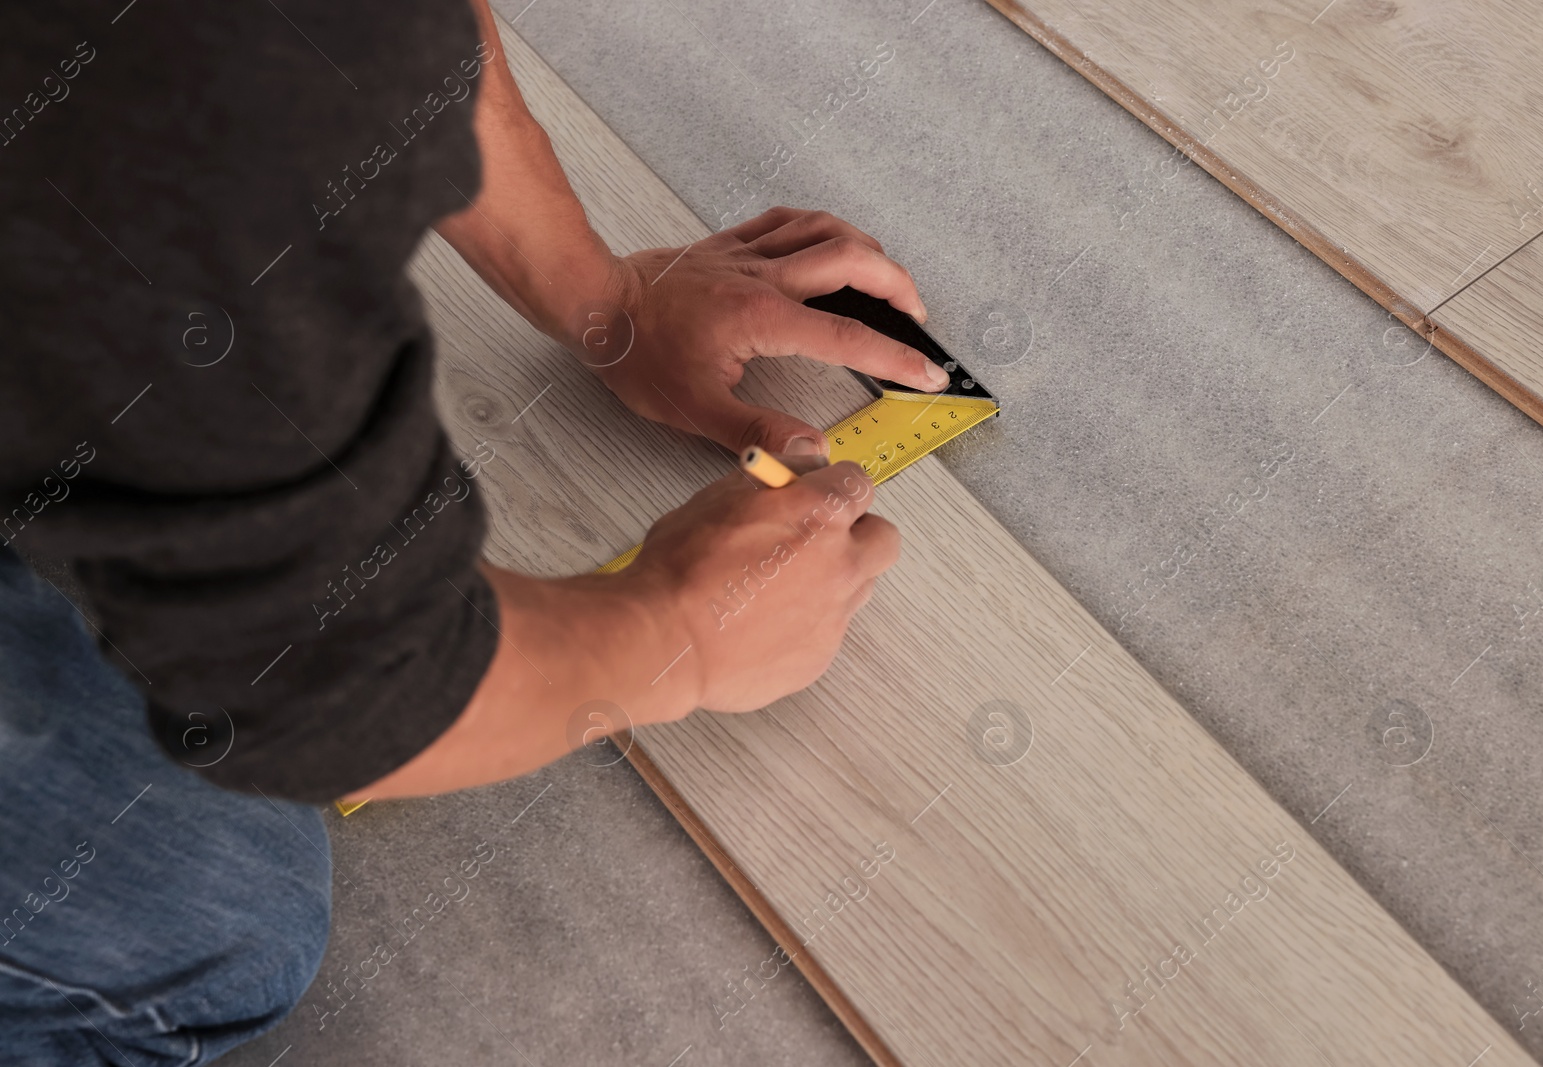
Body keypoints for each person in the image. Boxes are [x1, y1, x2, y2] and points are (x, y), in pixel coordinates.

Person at [0, 0, 946, 1062]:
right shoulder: (153, 131)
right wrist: (672, 629)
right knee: (206, 905)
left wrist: (606, 301)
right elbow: (324, 686)